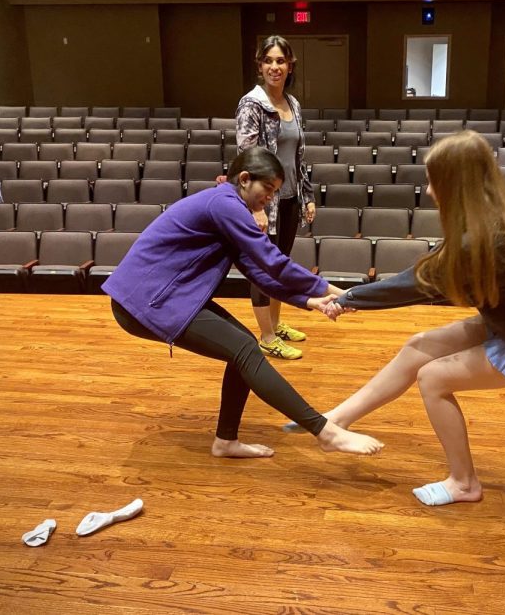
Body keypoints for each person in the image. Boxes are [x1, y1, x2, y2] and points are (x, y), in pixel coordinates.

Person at [291, 130, 505, 505]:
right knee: (419, 346)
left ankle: (464, 483)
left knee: (434, 378)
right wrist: (355, 297)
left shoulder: (487, 233)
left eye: (432, 180)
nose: (428, 190)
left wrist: (348, 299)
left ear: (454, 183)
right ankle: (338, 419)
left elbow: (419, 283)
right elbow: (432, 277)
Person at [103, 147, 383, 458]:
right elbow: (272, 261)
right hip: (145, 301)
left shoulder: (226, 206)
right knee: (245, 350)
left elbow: (258, 272)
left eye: (275, 192)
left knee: (244, 346)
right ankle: (326, 432)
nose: (270, 199)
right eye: (268, 189)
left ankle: (226, 441)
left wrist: (310, 300)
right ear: (245, 179)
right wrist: (332, 288)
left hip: (168, 296)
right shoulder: (224, 205)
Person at [234, 34, 315, 361]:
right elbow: (247, 158)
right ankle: (266, 337)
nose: (274, 67)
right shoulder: (252, 104)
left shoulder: (292, 104)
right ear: (259, 65)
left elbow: (298, 156)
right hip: (265, 202)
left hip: (290, 198)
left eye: (280, 60)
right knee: (262, 270)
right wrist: (257, 206)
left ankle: (277, 324)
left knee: (279, 266)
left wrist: (306, 195)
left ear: (290, 65)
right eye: (268, 61)